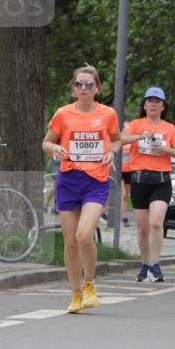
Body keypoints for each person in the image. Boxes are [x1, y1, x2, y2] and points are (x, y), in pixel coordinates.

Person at [42, 65, 121, 314]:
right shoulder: (63, 114)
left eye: (89, 84)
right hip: (69, 179)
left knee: (83, 235)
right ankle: (76, 294)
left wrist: (111, 151)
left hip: (95, 181)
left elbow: (117, 139)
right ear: (73, 87)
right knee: (69, 241)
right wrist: (53, 149)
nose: (84, 88)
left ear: (97, 87)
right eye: (79, 84)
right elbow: (46, 141)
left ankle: (89, 285)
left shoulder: (107, 114)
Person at [121, 86, 175, 283]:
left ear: (163, 106)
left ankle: (155, 264)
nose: (154, 104)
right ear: (145, 105)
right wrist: (141, 136)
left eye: (158, 101)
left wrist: (164, 149)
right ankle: (145, 263)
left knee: (156, 222)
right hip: (139, 180)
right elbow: (120, 139)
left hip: (161, 181)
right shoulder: (136, 124)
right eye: (150, 101)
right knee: (142, 228)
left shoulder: (169, 128)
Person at [120, 141, 132, 225]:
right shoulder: (120, 140)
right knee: (123, 194)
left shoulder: (133, 140)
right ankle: (124, 218)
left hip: (130, 170)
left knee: (127, 195)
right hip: (120, 171)